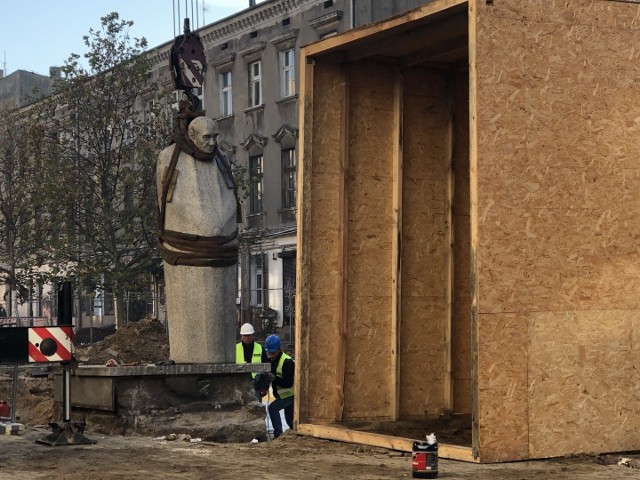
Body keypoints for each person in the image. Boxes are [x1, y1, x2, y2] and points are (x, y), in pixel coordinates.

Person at [156, 109, 241, 364]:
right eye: (207, 137)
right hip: (185, 254)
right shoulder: (169, 158)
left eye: (215, 137)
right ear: (192, 135)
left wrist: (217, 229)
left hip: (222, 252)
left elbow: (230, 201)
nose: (212, 143)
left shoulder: (221, 160)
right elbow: (168, 204)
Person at [264, 334, 294, 439]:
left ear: (279, 349)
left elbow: (289, 383)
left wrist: (274, 378)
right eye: (269, 352)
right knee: (290, 419)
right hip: (282, 395)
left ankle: (278, 435)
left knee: (273, 408)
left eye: (272, 353)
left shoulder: (287, 362)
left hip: (290, 394)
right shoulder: (272, 361)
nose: (270, 355)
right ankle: (293, 434)